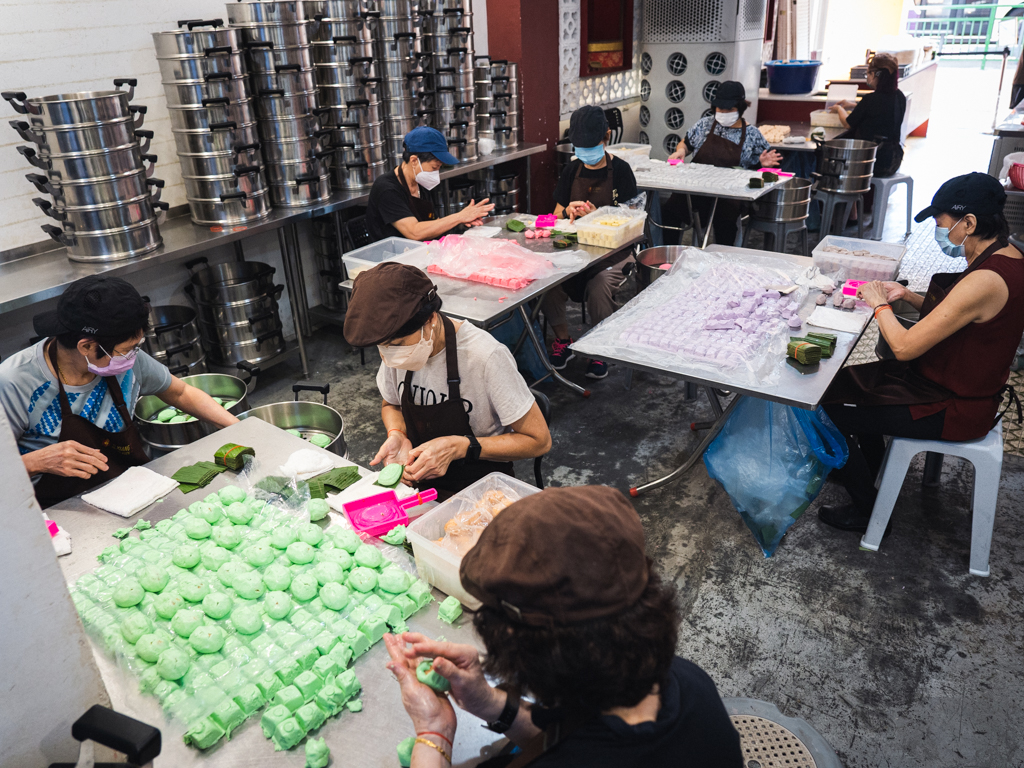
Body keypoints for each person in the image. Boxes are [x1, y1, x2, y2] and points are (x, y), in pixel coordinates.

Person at [382, 485, 744, 767]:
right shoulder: (688, 682)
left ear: (526, 654)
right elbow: (576, 733)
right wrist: (489, 701)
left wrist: (435, 734)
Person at [819, 173, 1024, 533]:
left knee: (828, 408)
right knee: (846, 382)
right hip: (948, 381)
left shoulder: (988, 279)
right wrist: (908, 296)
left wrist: (878, 303)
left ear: (969, 223)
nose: (938, 229)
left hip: (953, 404)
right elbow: (960, 316)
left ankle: (867, 508)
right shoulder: (1007, 255)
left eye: (941, 222)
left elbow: (903, 347)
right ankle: (873, 471)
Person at [0, 276, 238, 508]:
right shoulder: (14, 382)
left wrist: (240, 429)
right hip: (55, 510)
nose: (133, 356)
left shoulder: (126, 361)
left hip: (129, 493)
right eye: (127, 350)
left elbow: (180, 393)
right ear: (86, 346)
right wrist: (34, 462)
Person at [343, 262, 551, 497]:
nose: (388, 355)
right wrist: (397, 433)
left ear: (430, 320)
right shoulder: (396, 351)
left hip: (483, 492)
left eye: (398, 345)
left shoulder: (484, 357)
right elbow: (391, 403)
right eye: (383, 347)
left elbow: (539, 440)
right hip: (420, 488)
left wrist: (460, 446)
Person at [542, 106, 640, 380]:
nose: (585, 152)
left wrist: (597, 215)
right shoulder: (571, 170)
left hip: (615, 251)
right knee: (545, 282)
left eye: (590, 146)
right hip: (576, 248)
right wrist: (568, 211)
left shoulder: (621, 171)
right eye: (580, 147)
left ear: (606, 137)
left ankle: (600, 348)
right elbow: (555, 214)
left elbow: (630, 220)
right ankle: (563, 340)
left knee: (598, 287)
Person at [663, 81, 782, 249]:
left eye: (729, 110)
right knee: (669, 212)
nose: (724, 113)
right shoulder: (705, 124)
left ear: (740, 108)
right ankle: (667, 257)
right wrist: (681, 151)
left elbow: (770, 165)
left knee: (725, 224)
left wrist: (761, 164)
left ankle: (723, 263)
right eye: (720, 109)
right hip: (695, 190)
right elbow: (686, 143)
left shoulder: (752, 135)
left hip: (729, 196)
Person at [365, 126, 494, 242]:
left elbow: (433, 223)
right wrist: (459, 217)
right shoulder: (387, 189)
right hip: (390, 262)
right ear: (414, 160)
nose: (436, 173)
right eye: (434, 168)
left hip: (420, 253)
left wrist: (461, 221)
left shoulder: (421, 182)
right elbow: (414, 232)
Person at [828, 52, 906, 178]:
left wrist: (838, 109)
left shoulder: (871, 99)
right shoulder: (899, 96)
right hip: (893, 160)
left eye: (868, 73)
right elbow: (881, 110)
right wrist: (852, 105)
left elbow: (848, 123)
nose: (867, 77)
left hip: (872, 161)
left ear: (875, 74)